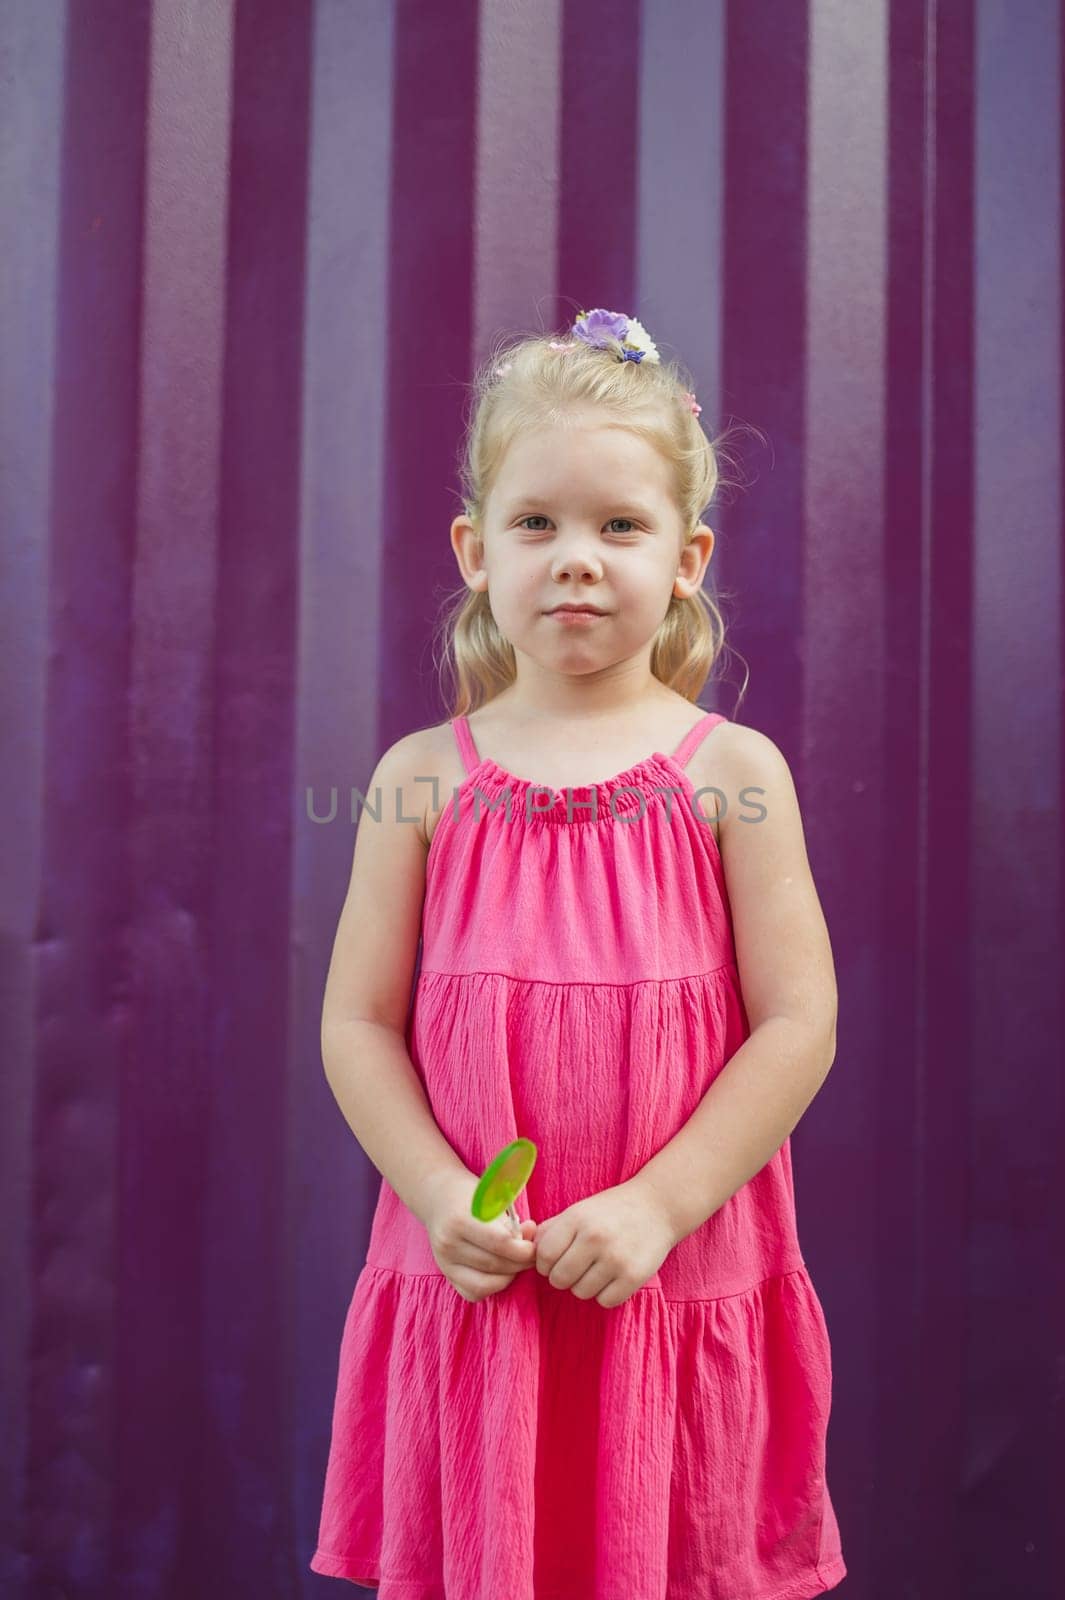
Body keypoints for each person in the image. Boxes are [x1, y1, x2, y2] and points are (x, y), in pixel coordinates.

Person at [309, 307, 847, 1598]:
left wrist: (660, 1206)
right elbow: (356, 1025)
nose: (574, 561)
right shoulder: (418, 778)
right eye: (535, 524)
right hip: (483, 1285)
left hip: (661, 1277)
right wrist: (442, 1195)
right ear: (473, 549)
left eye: (619, 528)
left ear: (685, 559)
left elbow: (798, 1021)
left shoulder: (731, 774)